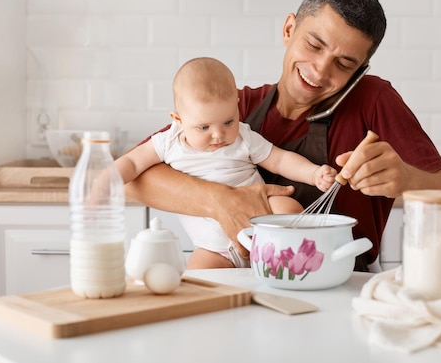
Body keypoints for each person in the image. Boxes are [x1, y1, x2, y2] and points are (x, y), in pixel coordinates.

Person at [124, 0, 441, 271]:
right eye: (314, 45)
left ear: (360, 70)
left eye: (344, 64)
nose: (319, 70)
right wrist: (220, 200)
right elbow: (131, 178)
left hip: (338, 283)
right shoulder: (235, 109)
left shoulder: (373, 100)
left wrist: (407, 179)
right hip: (237, 277)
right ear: (289, 29)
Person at [115, 57, 338, 269]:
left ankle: (296, 263)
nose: (218, 135)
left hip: (264, 233)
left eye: (228, 121)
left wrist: (313, 174)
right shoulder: (168, 143)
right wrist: (105, 183)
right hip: (214, 251)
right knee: (198, 277)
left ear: (237, 106)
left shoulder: (243, 136)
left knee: (288, 208)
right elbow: (133, 163)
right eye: (204, 127)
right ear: (178, 119)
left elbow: (279, 160)